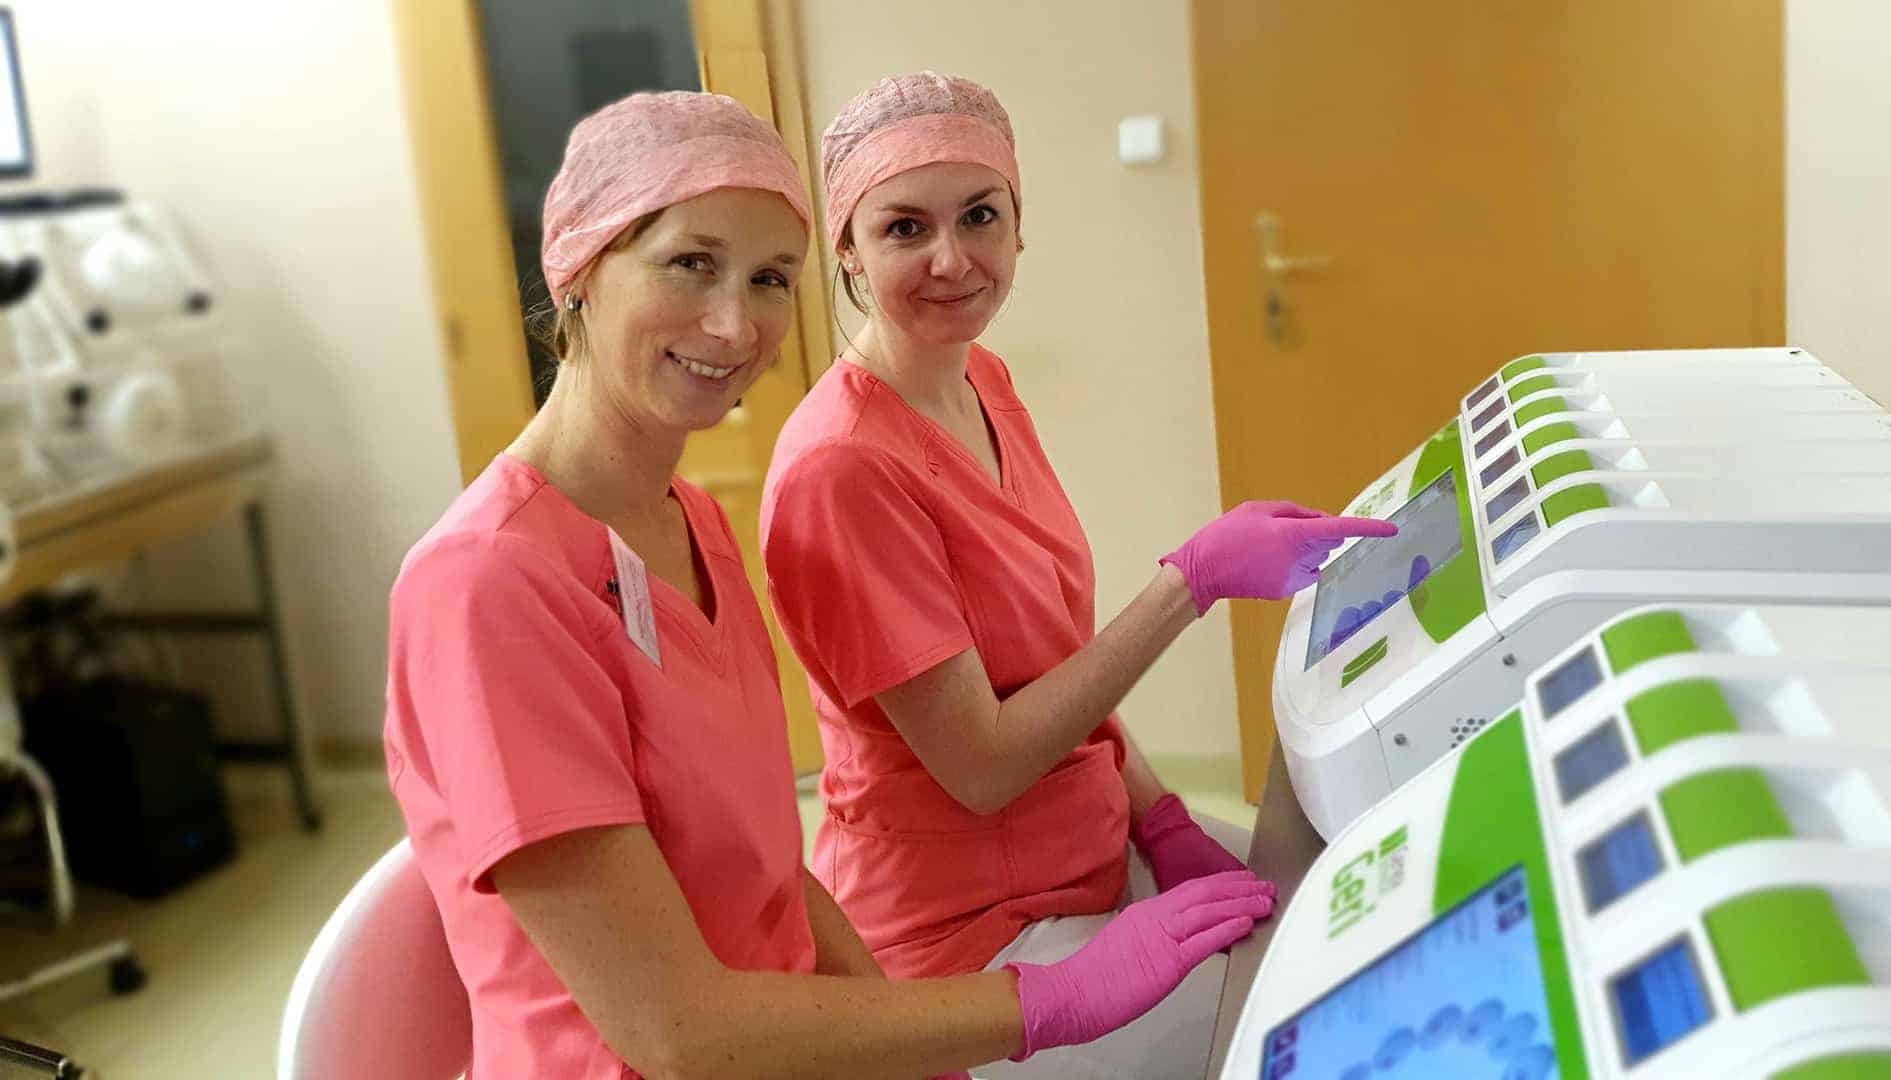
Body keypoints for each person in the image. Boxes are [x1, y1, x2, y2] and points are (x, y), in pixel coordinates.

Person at [384, 89, 1275, 1080]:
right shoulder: (486, 585)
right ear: (579, 268)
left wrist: (915, 1046)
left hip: (807, 1023)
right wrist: (1039, 1005)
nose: (734, 323)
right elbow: (677, 1035)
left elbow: (774, 874)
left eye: (769, 279)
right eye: (691, 263)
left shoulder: (690, 524)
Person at [760, 72, 1395, 1077]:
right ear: (845, 248)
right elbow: (983, 767)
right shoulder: (841, 470)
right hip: (970, 940)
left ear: (1020, 225)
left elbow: (1054, 664)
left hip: (1090, 852)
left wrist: (1161, 816)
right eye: (904, 228)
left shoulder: (981, 381)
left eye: (981, 216)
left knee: (1365, 909)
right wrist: (1188, 585)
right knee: (1337, 1024)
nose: (952, 259)